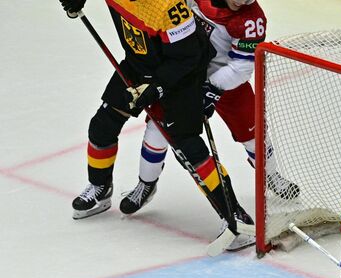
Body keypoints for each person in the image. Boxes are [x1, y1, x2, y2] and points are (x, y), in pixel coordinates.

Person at [60, 0, 253, 241]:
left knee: (188, 147)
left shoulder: (168, 6)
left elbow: (188, 56)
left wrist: (157, 87)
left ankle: (236, 217)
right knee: (102, 125)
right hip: (137, 64)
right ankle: (101, 188)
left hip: (181, 75)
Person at [120, 0, 299, 218]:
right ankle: (146, 184)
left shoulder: (251, 20)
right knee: (158, 129)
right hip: (185, 76)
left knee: (255, 134)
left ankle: (270, 175)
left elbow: (241, 67)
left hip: (228, 82)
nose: (242, 2)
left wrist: (212, 89)